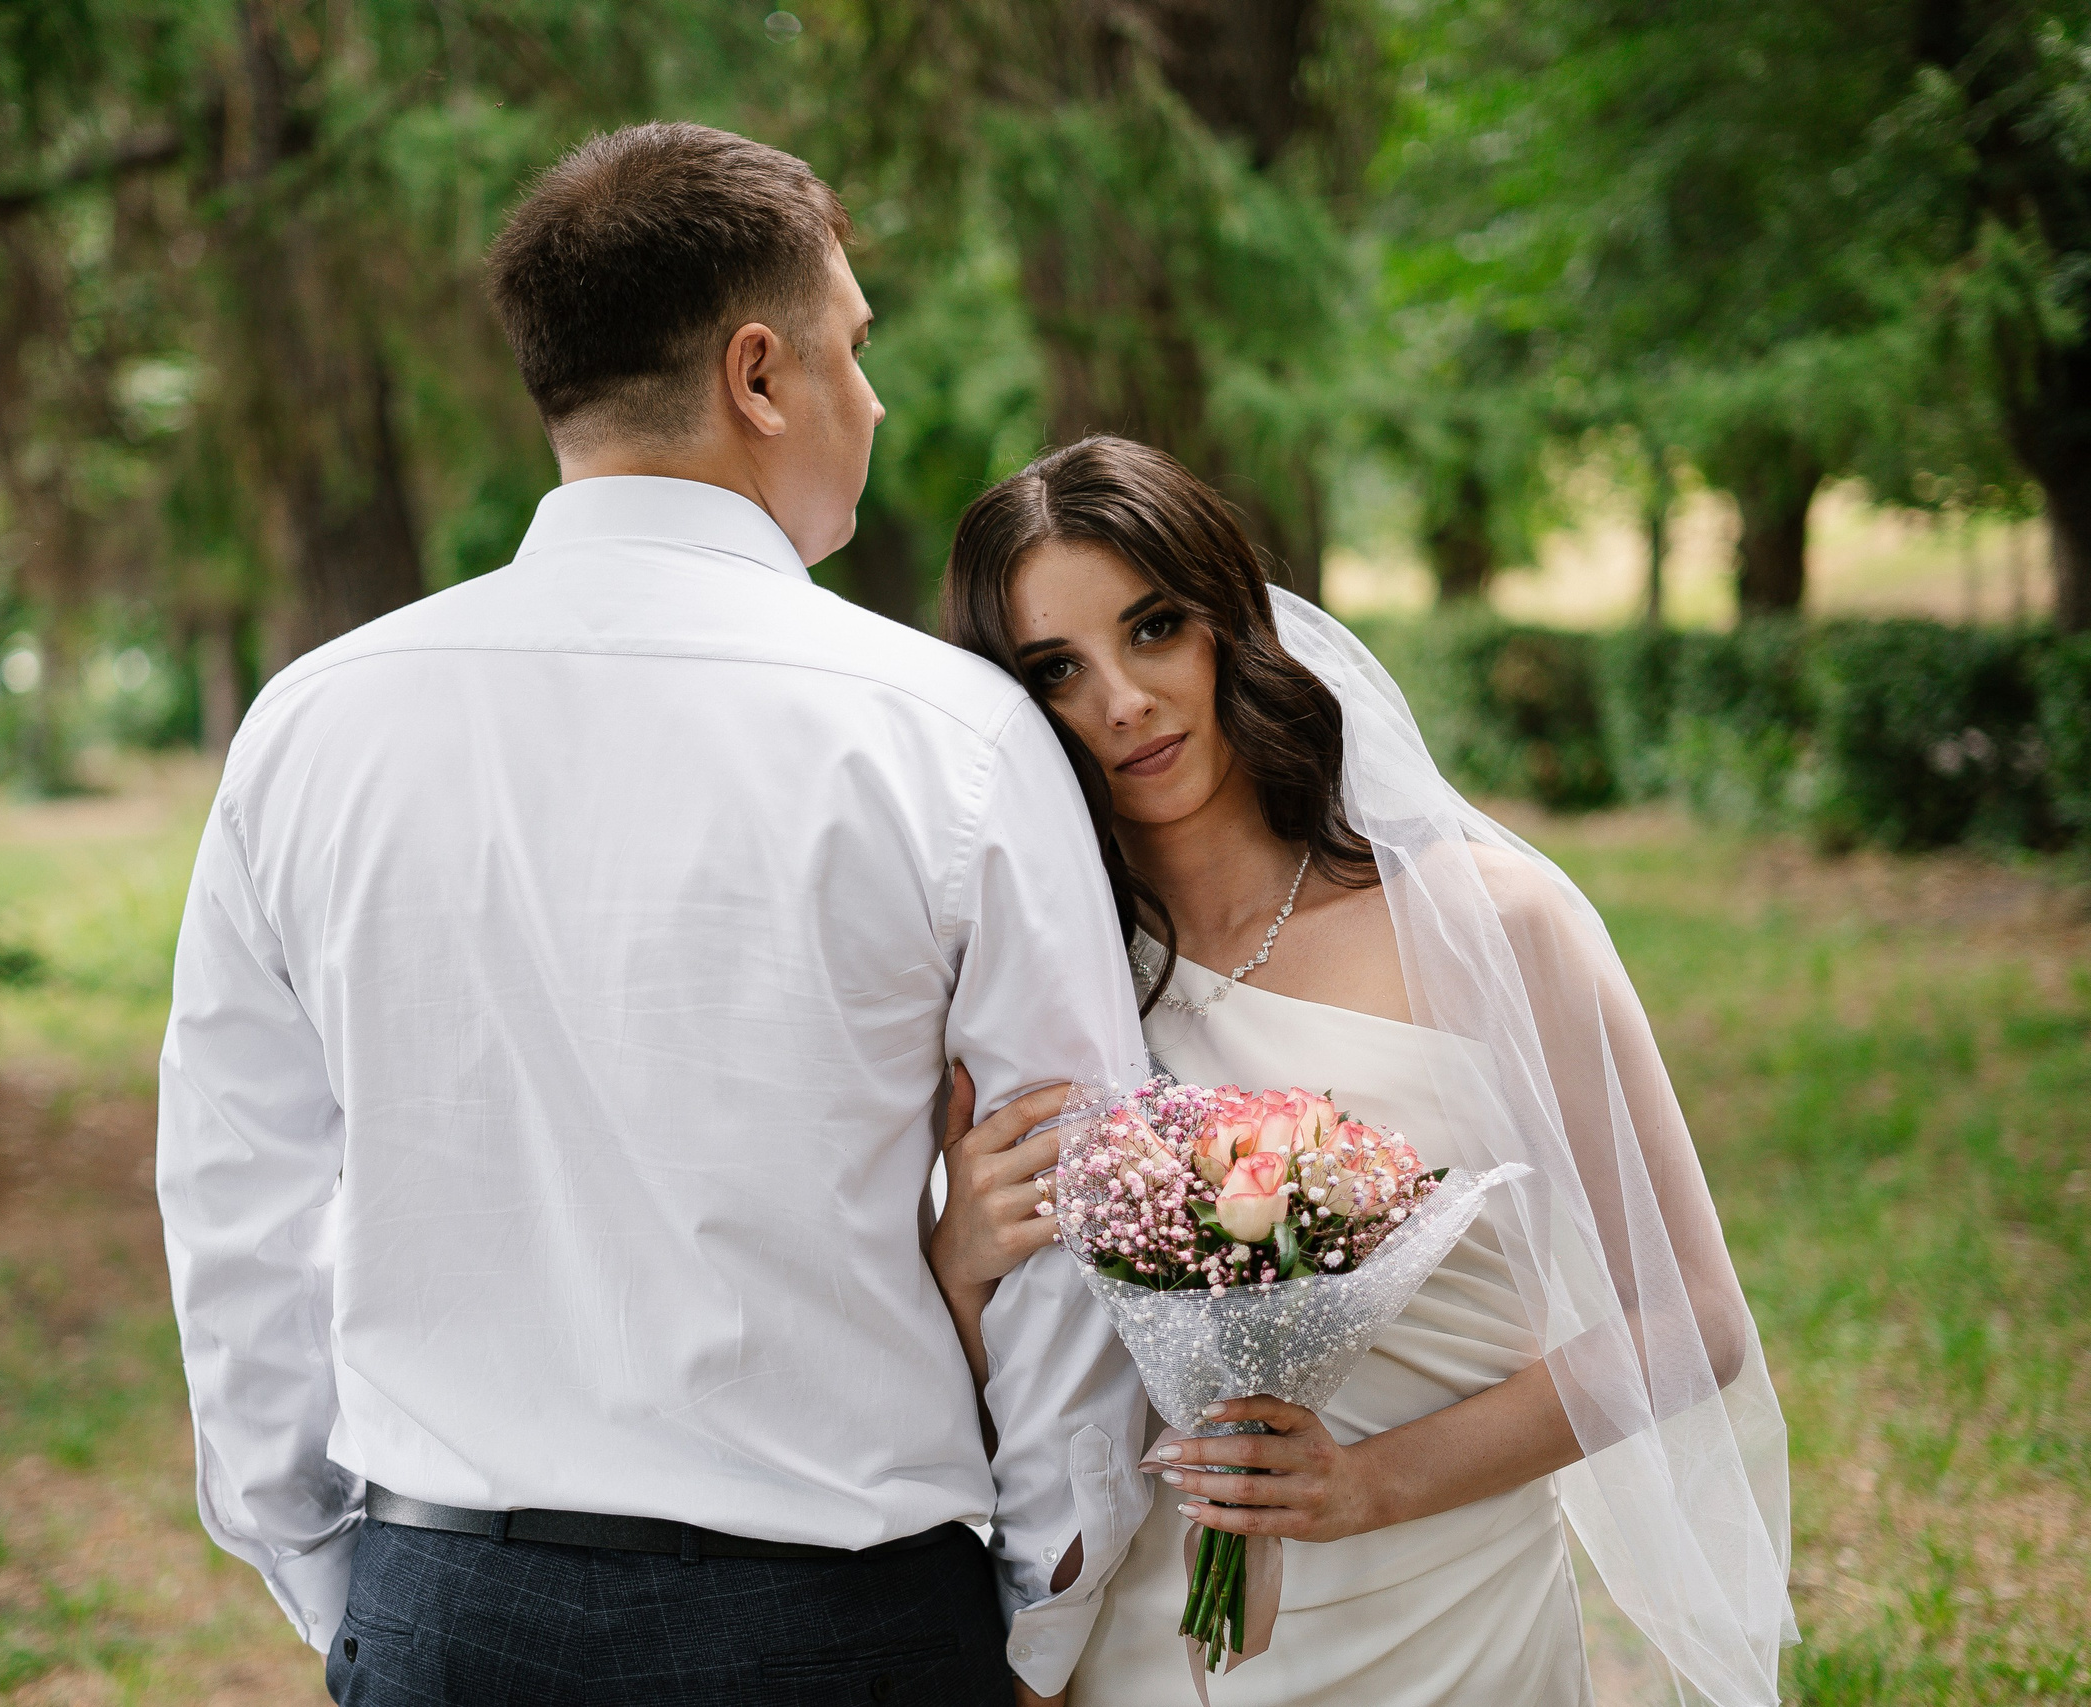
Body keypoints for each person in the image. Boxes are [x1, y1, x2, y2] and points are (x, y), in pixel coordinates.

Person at [156, 124, 1154, 1707]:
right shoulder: (949, 735)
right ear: (760, 373)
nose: (875, 398)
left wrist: (339, 1574)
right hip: (850, 1624)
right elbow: (1075, 1200)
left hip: (442, 1602)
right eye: (855, 347)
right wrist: (1043, 1610)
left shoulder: (311, 724)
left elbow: (239, 1202)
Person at [927, 437, 1795, 1706]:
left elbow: (1690, 1326)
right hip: (1147, 1632)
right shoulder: (1043, 990)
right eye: (1055, 669)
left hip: (1443, 1610)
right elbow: (1010, 1383)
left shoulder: (1488, 923)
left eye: (1153, 628)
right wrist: (960, 1263)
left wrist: (1365, 1485)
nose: (1119, 701)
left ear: (1230, 623)